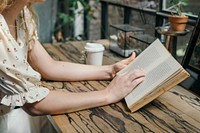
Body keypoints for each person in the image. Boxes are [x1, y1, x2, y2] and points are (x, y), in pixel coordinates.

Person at [0, 0, 145, 132]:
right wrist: (109, 94)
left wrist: (110, 70)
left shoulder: (21, 13)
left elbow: (49, 67)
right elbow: (34, 104)